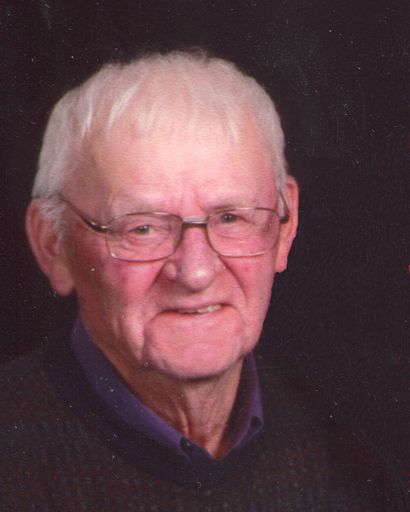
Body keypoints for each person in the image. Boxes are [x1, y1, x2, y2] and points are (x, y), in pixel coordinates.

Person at [0, 50, 398, 511]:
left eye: (230, 218)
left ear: (285, 225)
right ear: (53, 244)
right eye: (142, 227)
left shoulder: (343, 444)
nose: (195, 272)